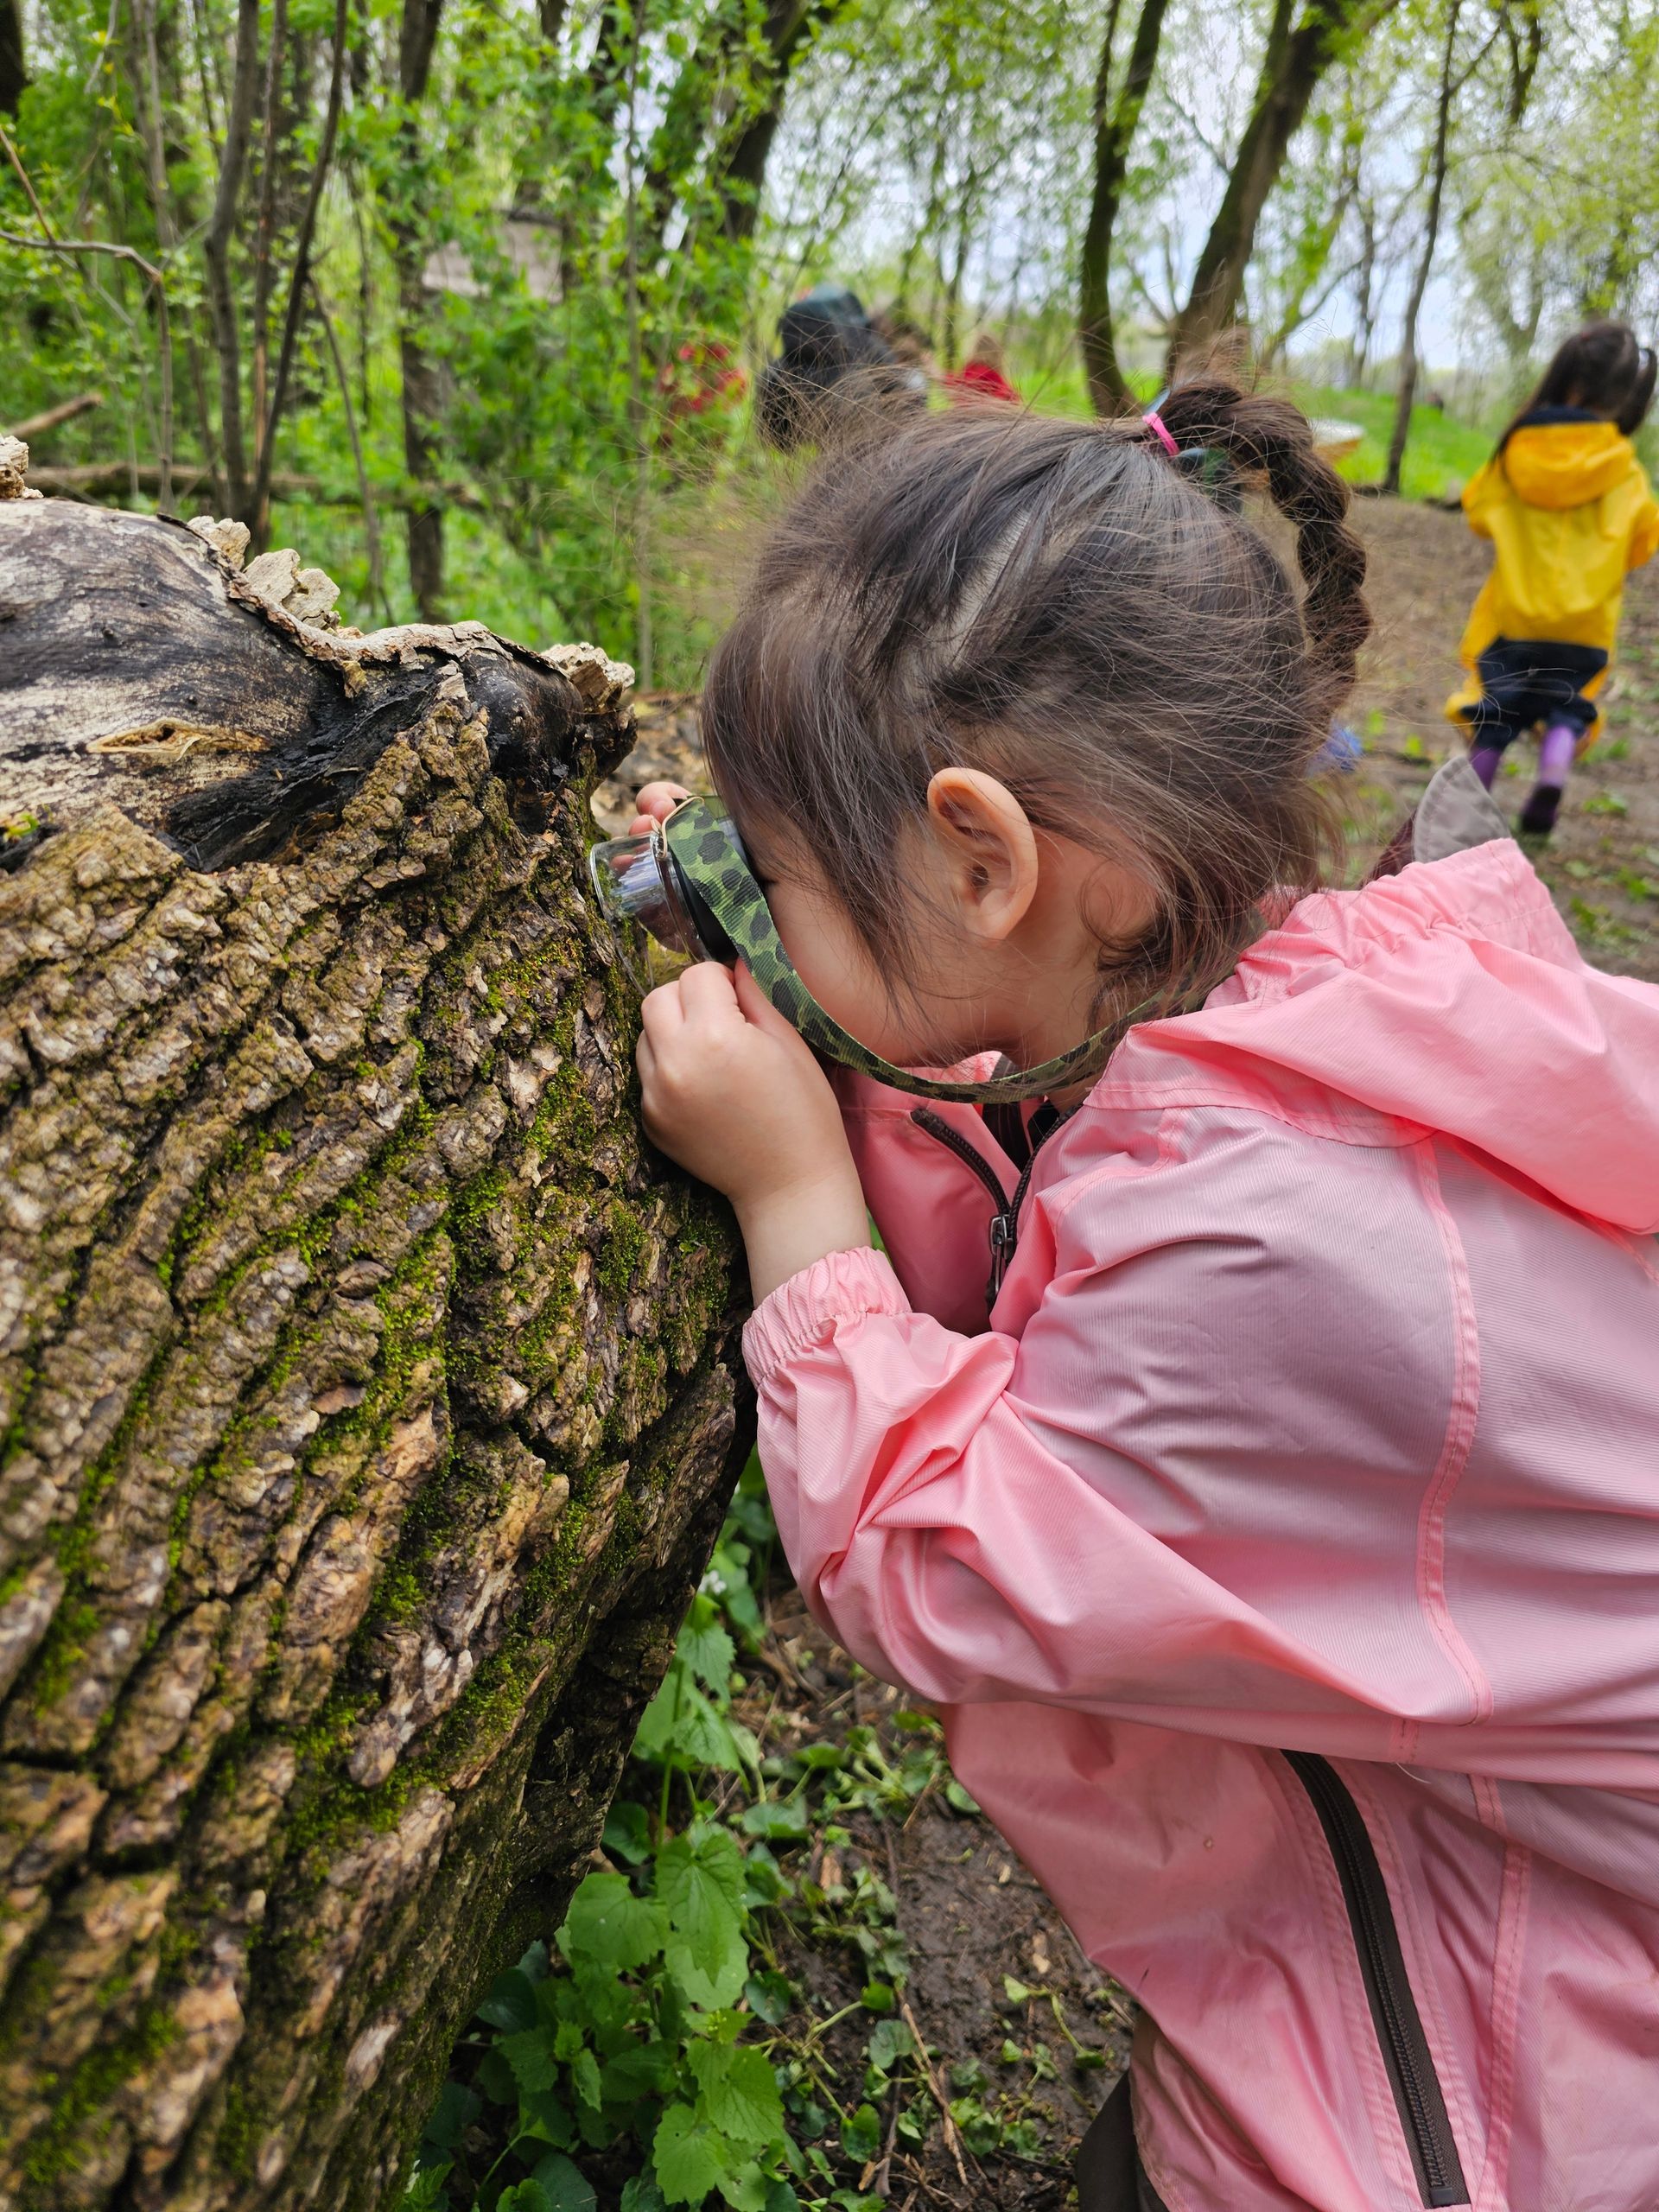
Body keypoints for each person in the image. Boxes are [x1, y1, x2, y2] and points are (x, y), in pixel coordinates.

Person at [623, 387, 1659, 2212]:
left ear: (984, 854)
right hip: (1457, 1904)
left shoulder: (1255, 1245)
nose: (766, 919)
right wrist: (781, 921)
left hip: (1503, 2091)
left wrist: (794, 1187)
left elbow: (947, 1554)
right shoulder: (1305, 1031)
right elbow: (1041, 1187)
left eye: (785, 880)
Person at [1446, 318, 1659, 835]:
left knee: (1496, 716)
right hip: (1584, 628)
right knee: (1567, 707)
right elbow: (1641, 543)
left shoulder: (1517, 451)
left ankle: (1467, 812)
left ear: (1565, 372)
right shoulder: (1626, 470)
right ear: (1625, 394)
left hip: (1515, 619)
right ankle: (1554, 772)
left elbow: (1477, 512)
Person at [754, 284, 924, 452]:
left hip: (811, 459)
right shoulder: (873, 349)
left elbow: (772, 434)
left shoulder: (780, 369)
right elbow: (907, 407)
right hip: (867, 454)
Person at [944, 328, 1018, 405]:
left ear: (975, 349)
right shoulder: (995, 375)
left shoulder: (975, 371)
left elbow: (958, 389)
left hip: (971, 415)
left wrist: (937, 373)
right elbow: (1009, 397)